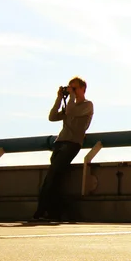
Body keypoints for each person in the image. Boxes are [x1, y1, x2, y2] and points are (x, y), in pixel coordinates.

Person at [33, 77, 94, 221]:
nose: (72, 90)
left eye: (75, 88)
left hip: (72, 143)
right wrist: (59, 98)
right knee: (55, 178)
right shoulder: (69, 105)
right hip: (60, 143)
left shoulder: (87, 105)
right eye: (70, 87)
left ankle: (41, 212)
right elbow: (52, 117)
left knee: (52, 176)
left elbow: (72, 111)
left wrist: (71, 96)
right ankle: (53, 213)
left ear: (83, 89)